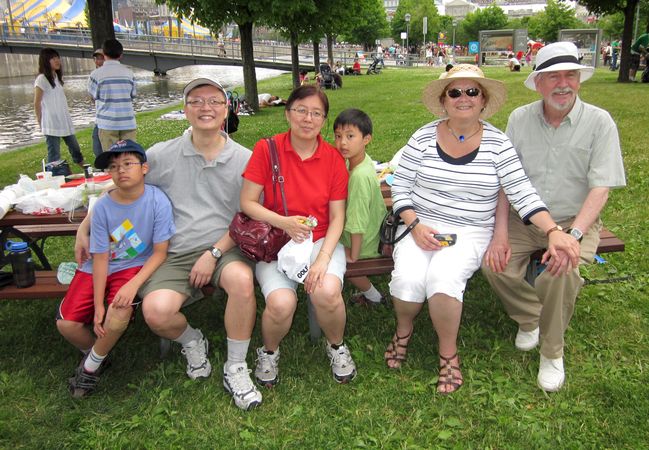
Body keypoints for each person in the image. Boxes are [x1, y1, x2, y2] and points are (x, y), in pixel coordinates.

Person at [385, 64, 580, 395]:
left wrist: (552, 231)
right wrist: (415, 225)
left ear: (483, 100)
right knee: (407, 282)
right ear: (444, 101)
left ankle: (448, 353)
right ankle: (403, 331)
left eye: (472, 91)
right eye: (455, 92)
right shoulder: (421, 136)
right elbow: (400, 188)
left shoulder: (498, 143)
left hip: (470, 230)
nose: (464, 98)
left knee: (443, 281)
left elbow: (521, 191)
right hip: (420, 224)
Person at [76, 76, 263, 411]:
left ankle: (236, 366)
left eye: (214, 101)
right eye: (196, 101)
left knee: (242, 281)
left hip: (225, 246)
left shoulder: (245, 159)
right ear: (185, 110)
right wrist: (84, 228)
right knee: (156, 311)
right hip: (173, 253)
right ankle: (192, 340)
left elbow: (245, 217)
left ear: (226, 110)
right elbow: (120, 188)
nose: (206, 108)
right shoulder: (160, 155)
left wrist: (214, 253)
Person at [482, 42, 626, 392]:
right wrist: (500, 233)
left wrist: (572, 235)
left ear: (579, 79)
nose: (564, 84)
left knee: (561, 272)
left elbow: (601, 188)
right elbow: (505, 181)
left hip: (574, 220)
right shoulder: (519, 118)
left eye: (571, 75)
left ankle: (552, 351)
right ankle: (530, 317)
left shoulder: (599, 122)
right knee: (492, 264)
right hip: (524, 219)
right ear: (539, 83)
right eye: (554, 76)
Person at [240, 85, 356, 388]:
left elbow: (337, 217)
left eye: (317, 113)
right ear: (287, 113)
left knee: (327, 291)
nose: (308, 119)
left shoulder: (332, 158)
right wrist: (284, 222)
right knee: (280, 303)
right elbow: (248, 203)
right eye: (301, 110)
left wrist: (323, 260)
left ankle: (336, 346)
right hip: (277, 242)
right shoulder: (267, 149)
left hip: (320, 240)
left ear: (324, 120)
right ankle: (269, 351)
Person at [59, 139, 174, 398]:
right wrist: (98, 305)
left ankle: (89, 368)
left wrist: (133, 285)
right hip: (96, 268)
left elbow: (160, 252)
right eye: (113, 166)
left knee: (118, 313)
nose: (120, 170)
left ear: (144, 168)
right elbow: (100, 257)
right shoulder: (102, 207)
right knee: (67, 325)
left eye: (127, 164)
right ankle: (100, 354)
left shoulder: (157, 201)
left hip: (132, 265)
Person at [334, 108, 387, 307]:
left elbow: (357, 221)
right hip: (371, 231)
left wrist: (353, 256)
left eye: (350, 136)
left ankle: (374, 297)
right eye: (338, 136)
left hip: (365, 243)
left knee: (334, 259)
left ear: (366, 139)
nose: (343, 143)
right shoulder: (360, 162)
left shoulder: (358, 176)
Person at [34, 48, 85, 167]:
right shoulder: (41, 79)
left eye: (57, 58)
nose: (57, 61)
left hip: (63, 119)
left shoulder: (56, 77)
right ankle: (53, 175)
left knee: (74, 147)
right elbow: (37, 102)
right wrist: (39, 121)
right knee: (54, 153)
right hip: (51, 122)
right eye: (53, 58)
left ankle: (85, 168)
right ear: (46, 61)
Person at [88, 39, 137, 152]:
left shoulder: (95, 75)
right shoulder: (129, 74)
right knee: (129, 158)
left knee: (111, 159)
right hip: (127, 122)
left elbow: (93, 96)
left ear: (104, 54)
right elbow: (133, 94)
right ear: (120, 55)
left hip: (107, 123)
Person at [90, 49, 105, 157]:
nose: (98, 61)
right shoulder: (94, 75)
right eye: (96, 58)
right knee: (97, 143)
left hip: (106, 118)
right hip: (100, 117)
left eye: (100, 58)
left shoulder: (101, 75)